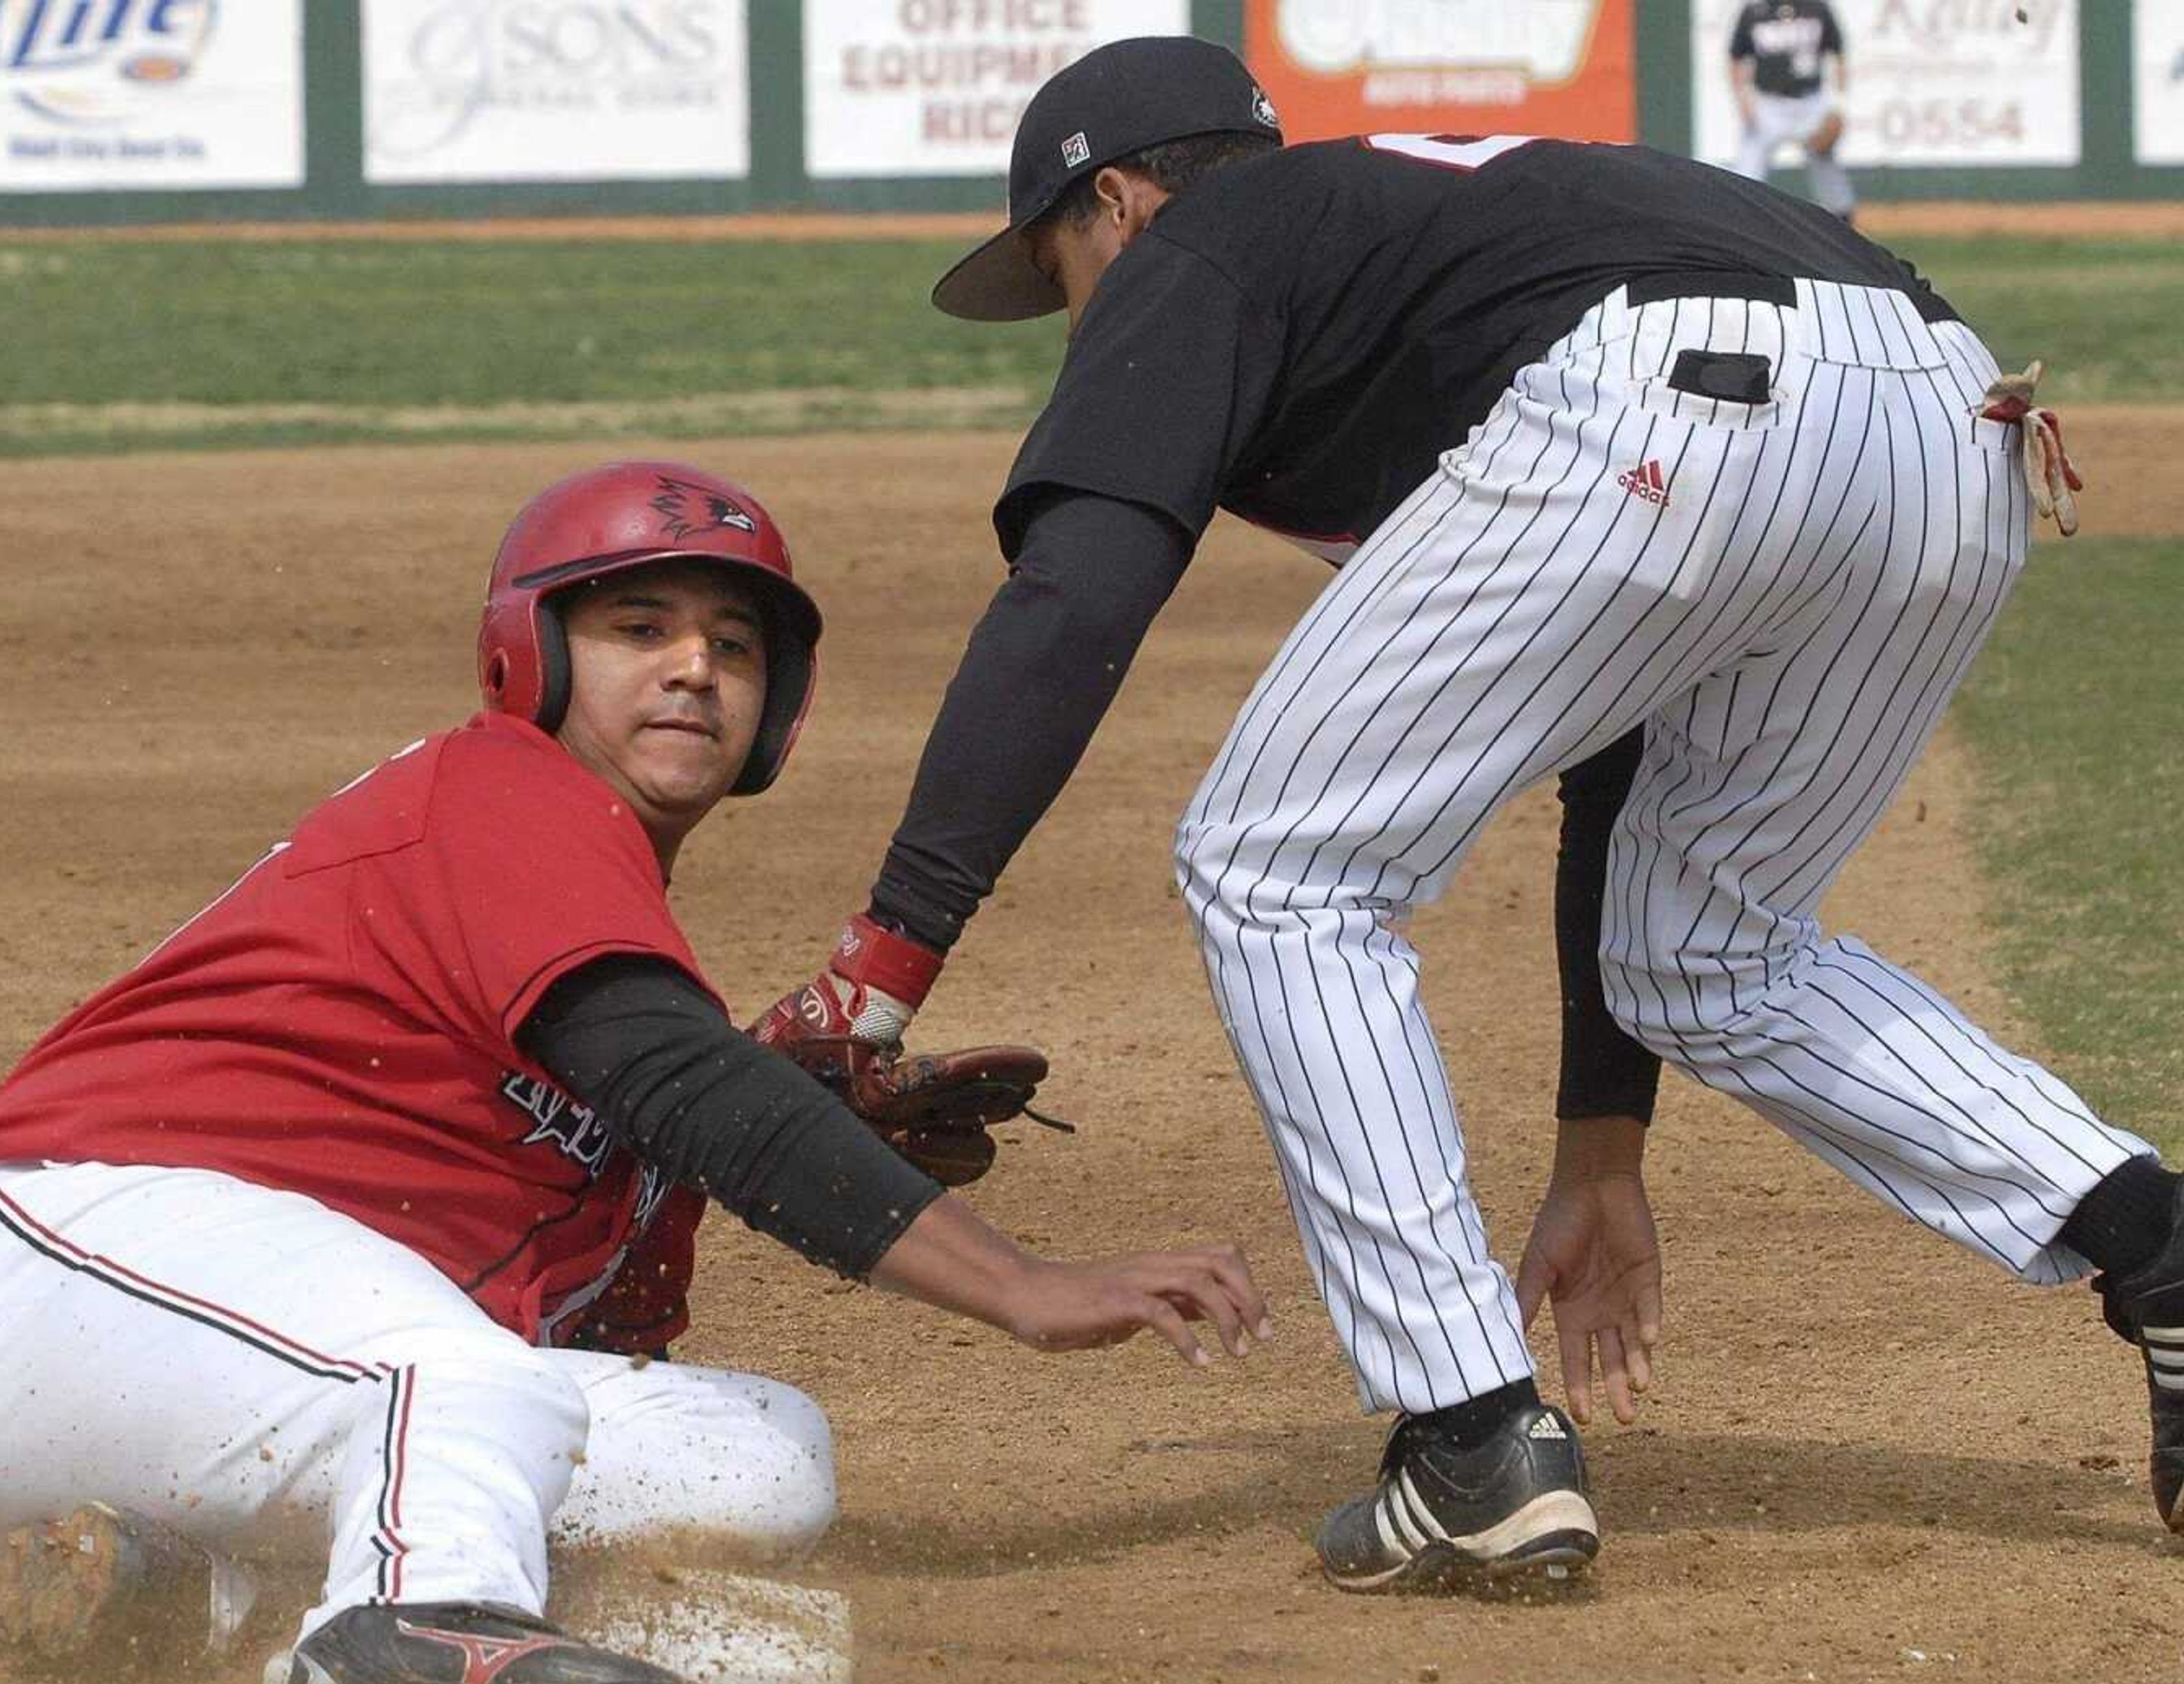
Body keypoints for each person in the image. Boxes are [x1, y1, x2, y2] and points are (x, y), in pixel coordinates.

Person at [754, 36, 2161, 1597]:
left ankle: (1470, 1432)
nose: (1076, 314)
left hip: (1666, 397)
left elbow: (1072, 592)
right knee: (1704, 948)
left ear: (1119, 198)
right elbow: (1617, 737)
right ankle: (2152, 1237)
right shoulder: (1427, 260)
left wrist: (880, 966)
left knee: (1277, 866)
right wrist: (1597, 1146)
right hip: (1948, 424)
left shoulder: (1206, 240)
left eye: (1058, 263)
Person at [0, 459, 1270, 1684]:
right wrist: (1019, 1283)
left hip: (194, 1384)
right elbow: (691, 1087)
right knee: (467, 1385)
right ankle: (412, 1632)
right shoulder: (505, 794)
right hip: (65, 1261)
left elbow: (617, 1293)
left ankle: (185, 1597)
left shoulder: (607, 948)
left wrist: (732, 1132)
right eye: (640, 630)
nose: (695, 668)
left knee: (757, 1457)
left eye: (734, 645)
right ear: (531, 660)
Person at [1727, 0, 1857, 223]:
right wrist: (1743, 100)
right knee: (1746, 173)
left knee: (1827, 168)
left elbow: (1838, 53)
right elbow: (1736, 58)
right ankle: (1738, 226)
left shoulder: (1816, 8)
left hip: (1811, 102)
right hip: (1769, 103)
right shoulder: (1755, 11)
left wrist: (1838, 106)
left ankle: (1845, 226)